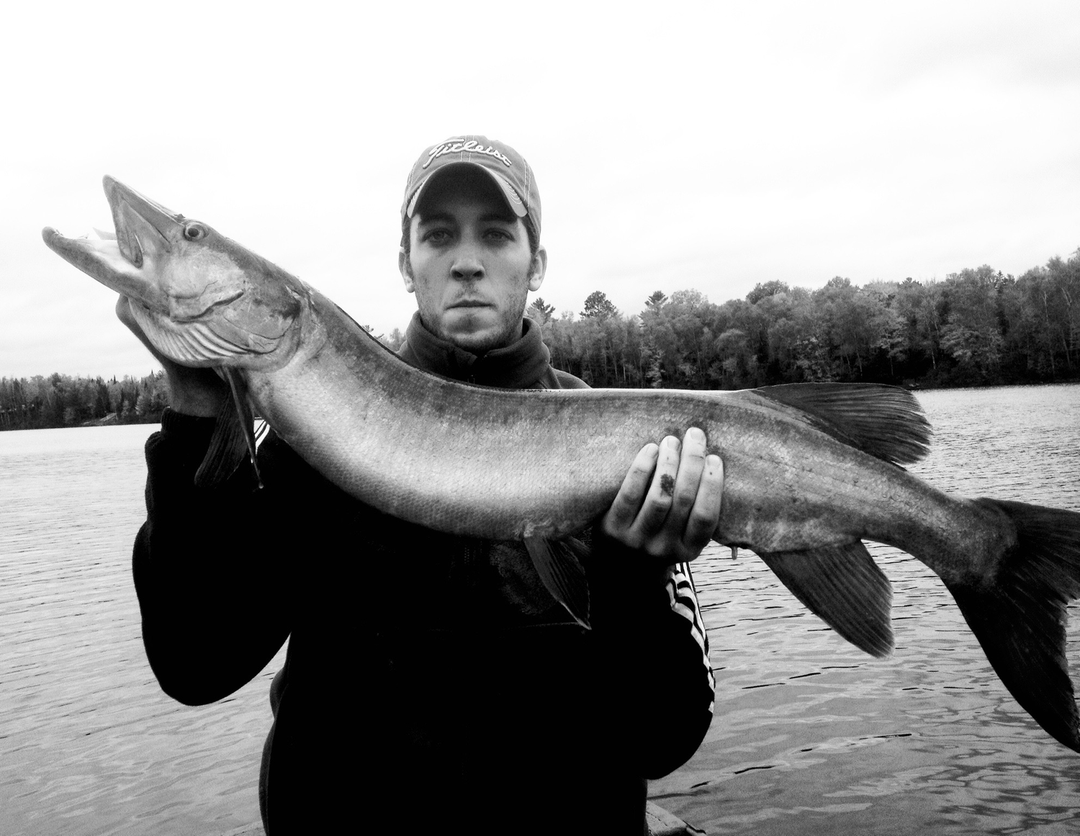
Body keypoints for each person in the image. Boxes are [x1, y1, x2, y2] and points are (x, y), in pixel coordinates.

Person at [122, 135, 724, 835]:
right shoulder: (311, 446)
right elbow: (196, 664)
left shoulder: (628, 454)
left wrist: (632, 572)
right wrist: (198, 420)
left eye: (496, 236)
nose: (467, 262)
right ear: (406, 263)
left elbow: (664, 739)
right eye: (438, 237)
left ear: (538, 264)